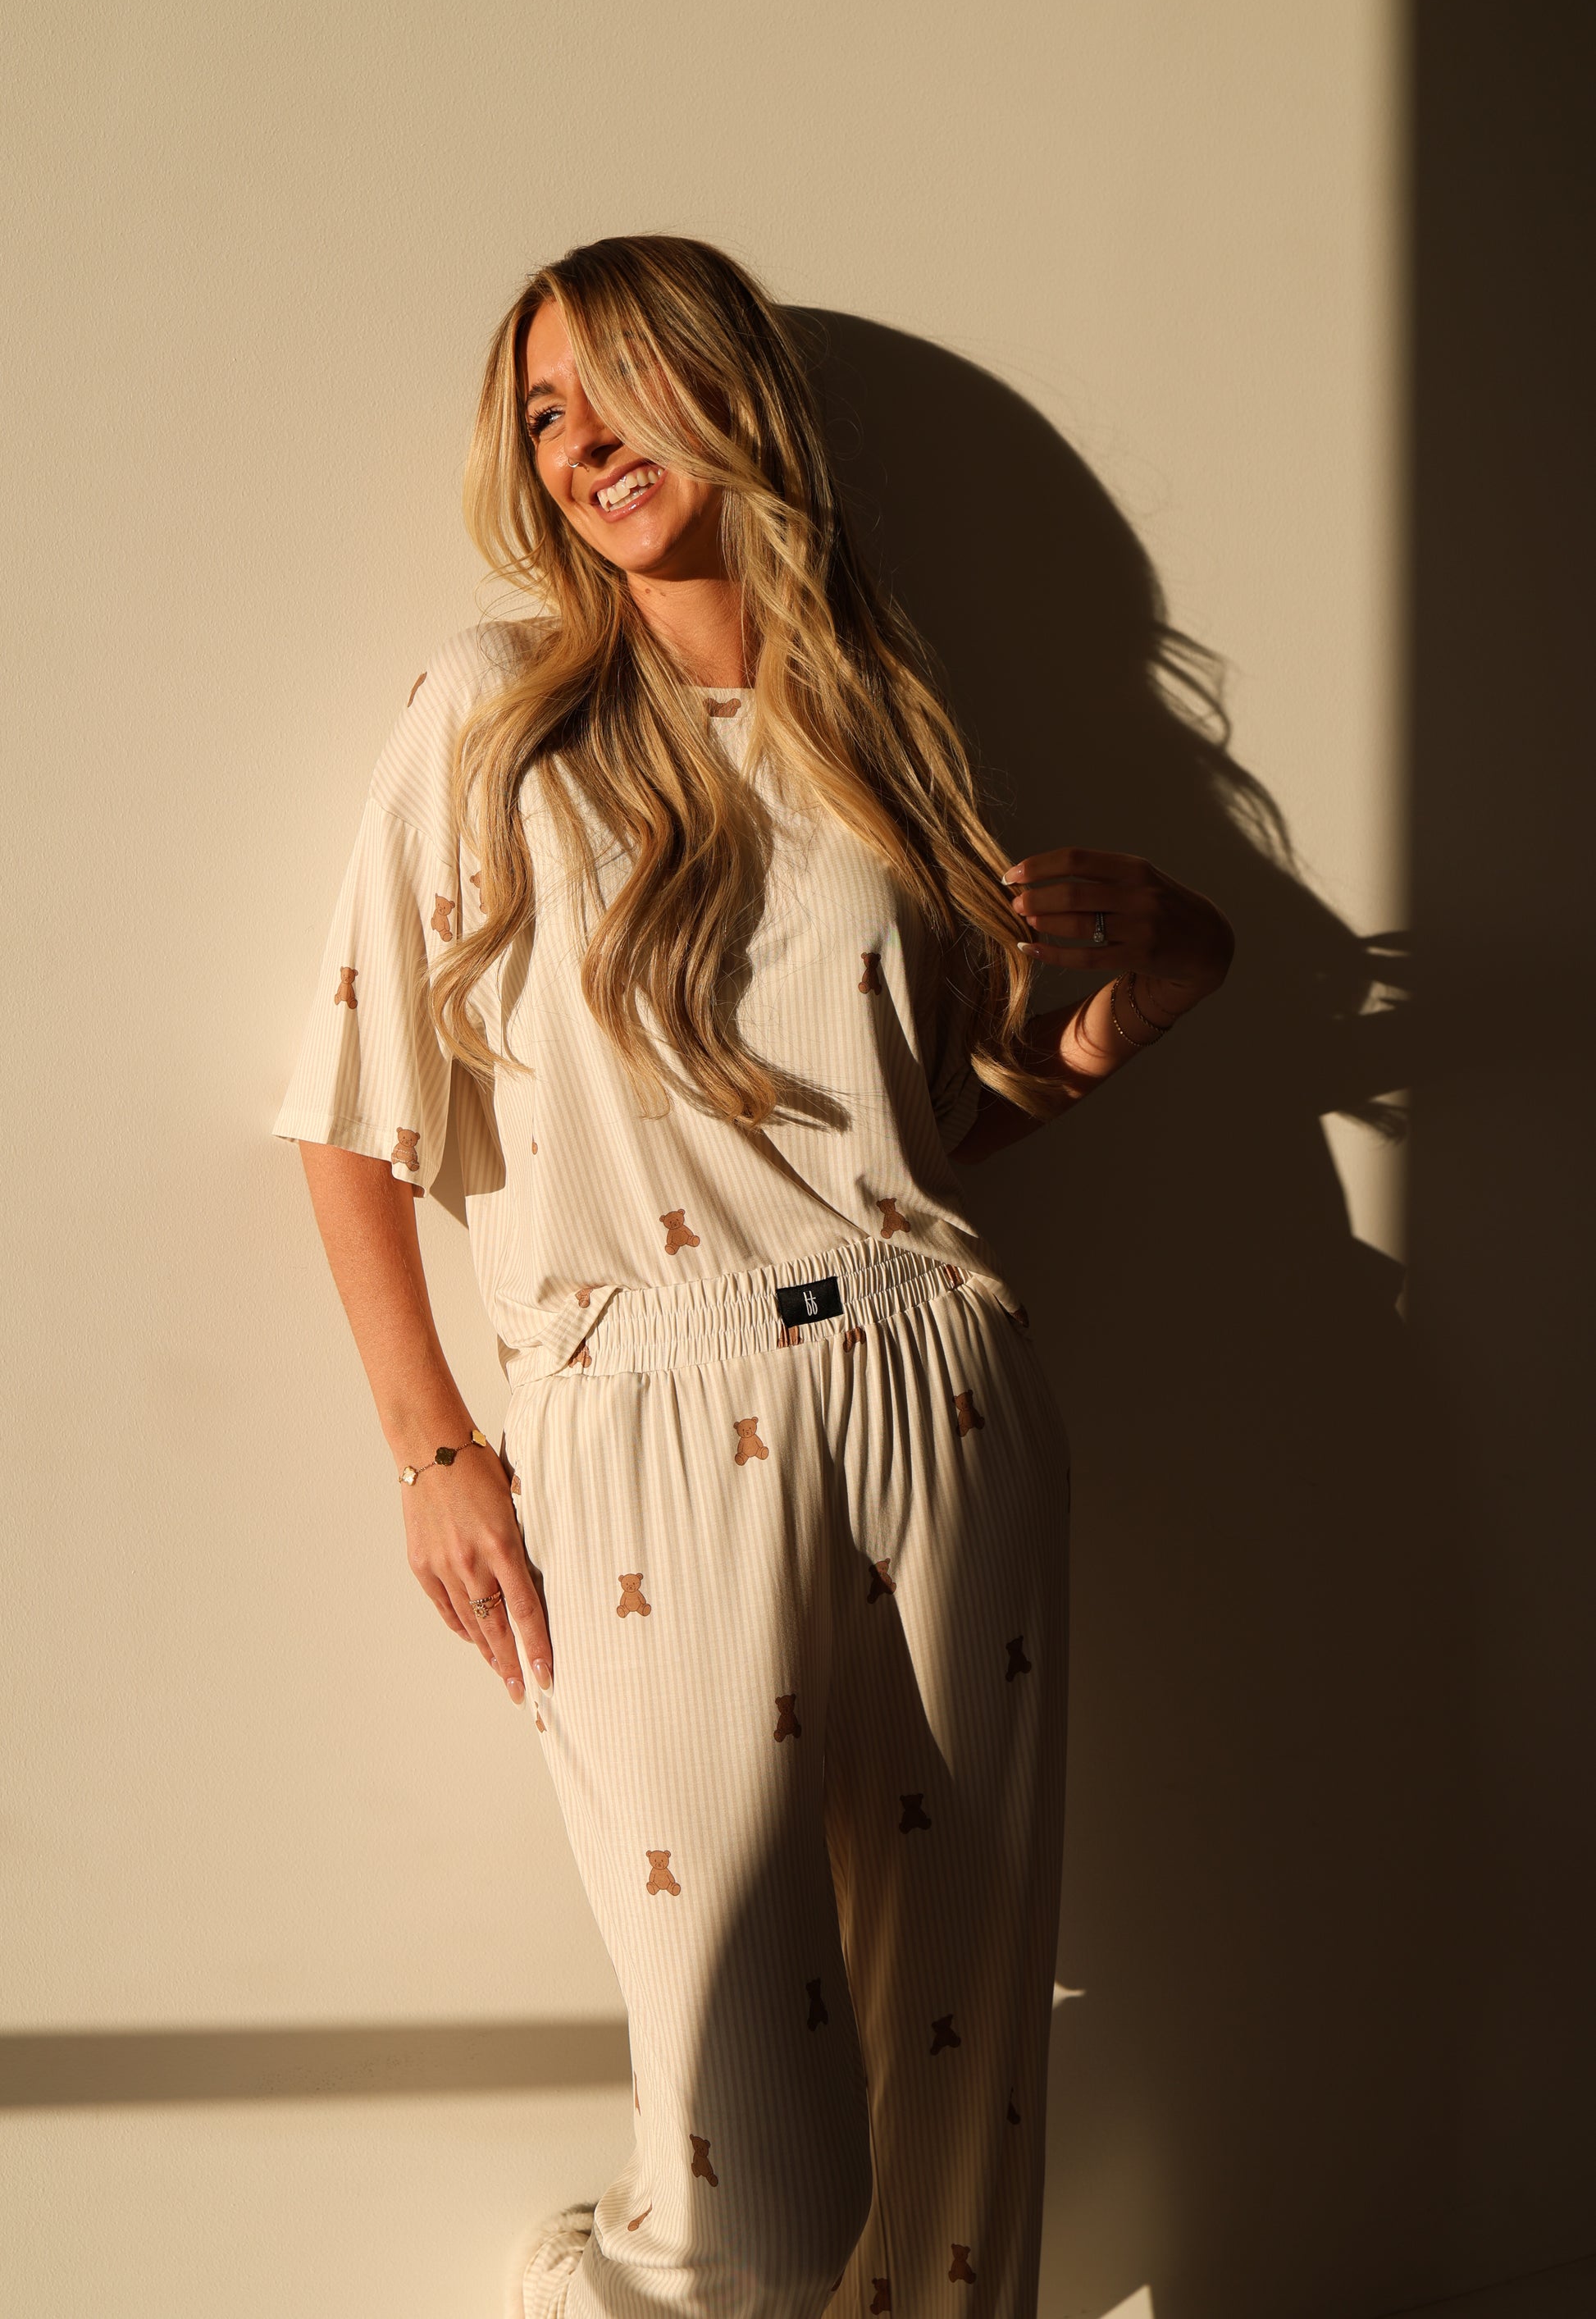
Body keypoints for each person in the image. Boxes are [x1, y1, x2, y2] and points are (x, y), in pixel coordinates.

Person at [273, 233, 1233, 2319]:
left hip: (940, 1384)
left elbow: (913, 1135)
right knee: (758, 2164)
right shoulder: (491, 714)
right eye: (545, 409)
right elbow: (352, 1115)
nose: (584, 438)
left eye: (619, 382)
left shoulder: (878, 722)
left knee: (960, 2081)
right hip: (633, 1416)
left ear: (731, 392)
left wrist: (1142, 1001)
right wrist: (432, 1445)